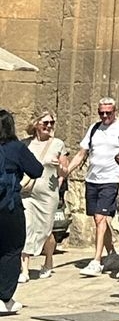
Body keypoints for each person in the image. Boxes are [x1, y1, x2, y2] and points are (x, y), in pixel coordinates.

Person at [64, 94, 119, 276]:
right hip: (93, 179)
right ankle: (113, 254)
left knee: (101, 218)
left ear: (115, 112)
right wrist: (66, 172)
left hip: (112, 179)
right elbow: (81, 153)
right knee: (98, 219)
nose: (105, 117)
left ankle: (96, 260)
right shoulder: (94, 128)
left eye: (108, 113)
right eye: (102, 113)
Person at [0, 110, 45, 314]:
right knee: (11, 249)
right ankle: (4, 298)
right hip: (8, 207)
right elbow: (36, 170)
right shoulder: (16, 148)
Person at [22, 111, 66, 281]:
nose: (49, 126)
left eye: (51, 123)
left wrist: (59, 168)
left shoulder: (57, 144)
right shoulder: (25, 144)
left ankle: (48, 260)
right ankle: (24, 269)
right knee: (27, 227)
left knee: (46, 231)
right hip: (27, 193)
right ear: (36, 124)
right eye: (45, 123)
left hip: (48, 194)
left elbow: (65, 170)